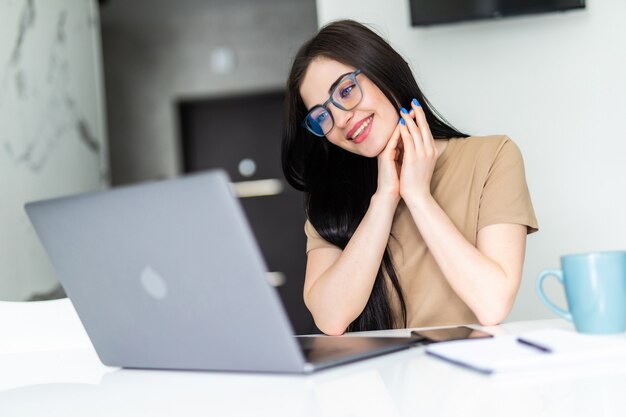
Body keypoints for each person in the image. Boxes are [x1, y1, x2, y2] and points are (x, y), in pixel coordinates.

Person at [281, 20, 538, 336]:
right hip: (377, 382)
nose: (342, 118)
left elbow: (492, 303)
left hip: (472, 379)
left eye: (346, 90)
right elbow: (331, 319)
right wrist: (385, 198)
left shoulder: (493, 156)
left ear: (383, 70)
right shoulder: (331, 199)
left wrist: (418, 196)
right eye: (322, 116)